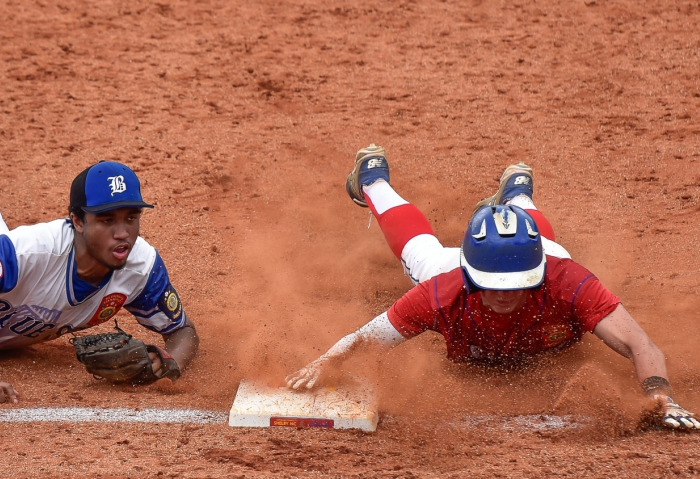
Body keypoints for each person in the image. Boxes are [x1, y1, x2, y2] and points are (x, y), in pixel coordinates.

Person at [286, 144, 700, 431]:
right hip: (462, 267)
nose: (504, 293)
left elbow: (640, 344)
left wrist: (659, 392)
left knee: (550, 245)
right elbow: (365, 339)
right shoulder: (442, 289)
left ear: (537, 274)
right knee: (421, 252)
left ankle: (517, 194)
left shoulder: (566, 279)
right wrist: (327, 361)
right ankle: (372, 179)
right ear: (470, 277)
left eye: (517, 284)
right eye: (492, 285)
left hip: (547, 257)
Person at [0, 111, 199, 404]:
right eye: (107, 220)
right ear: (78, 222)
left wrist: (167, 362)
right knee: (12, 256)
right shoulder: (34, 251)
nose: (122, 233)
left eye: (131, 218)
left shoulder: (140, 267)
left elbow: (182, 330)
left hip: (1, 299)